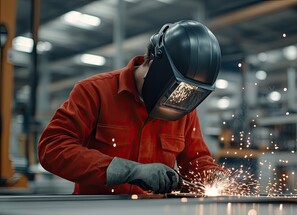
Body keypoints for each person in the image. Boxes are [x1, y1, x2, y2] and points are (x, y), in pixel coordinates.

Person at [38, 20, 225, 195]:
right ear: (154, 62)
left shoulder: (183, 107)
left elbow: (195, 162)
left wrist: (216, 178)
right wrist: (129, 171)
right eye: (177, 88)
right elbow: (52, 148)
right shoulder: (94, 91)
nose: (179, 97)